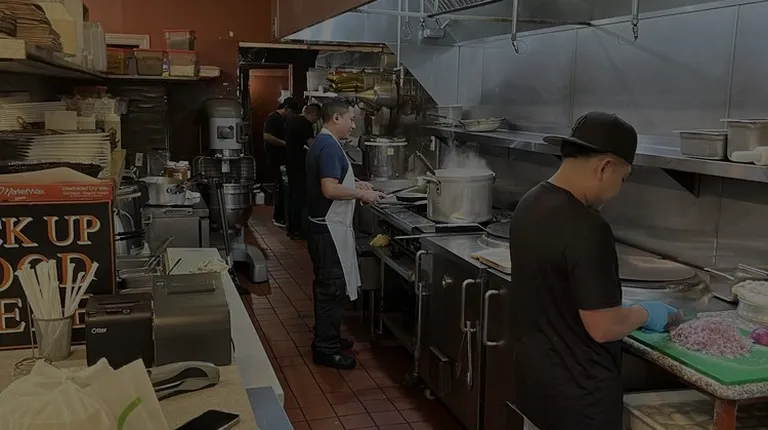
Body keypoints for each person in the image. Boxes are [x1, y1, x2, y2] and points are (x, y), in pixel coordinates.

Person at [508, 111, 679, 430]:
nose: (619, 190)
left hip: (537, 391)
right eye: (623, 179)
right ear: (605, 167)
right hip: (580, 402)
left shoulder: (529, 203)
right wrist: (644, 313)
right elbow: (603, 327)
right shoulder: (587, 227)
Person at [305, 98, 385, 369]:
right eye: (351, 119)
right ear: (336, 118)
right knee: (331, 290)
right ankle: (325, 350)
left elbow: (334, 180)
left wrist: (356, 184)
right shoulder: (328, 146)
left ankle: (329, 337)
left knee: (329, 288)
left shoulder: (324, 141)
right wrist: (362, 195)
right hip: (328, 231)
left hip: (325, 228)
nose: (353, 125)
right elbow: (329, 189)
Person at [263, 97, 300, 228]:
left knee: (283, 188)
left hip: (283, 158)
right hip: (275, 159)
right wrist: (285, 143)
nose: (293, 116)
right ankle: (278, 217)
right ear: (286, 108)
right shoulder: (273, 118)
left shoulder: (283, 119)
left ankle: (283, 216)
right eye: (292, 113)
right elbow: (266, 136)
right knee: (279, 187)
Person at [285, 103, 320, 240]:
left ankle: (291, 228)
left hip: (290, 163)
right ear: (314, 115)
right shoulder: (305, 124)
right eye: (316, 119)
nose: (315, 122)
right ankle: (298, 229)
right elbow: (312, 144)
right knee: (300, 197)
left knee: (293, 195)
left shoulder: (292, 120)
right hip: (299, 165)